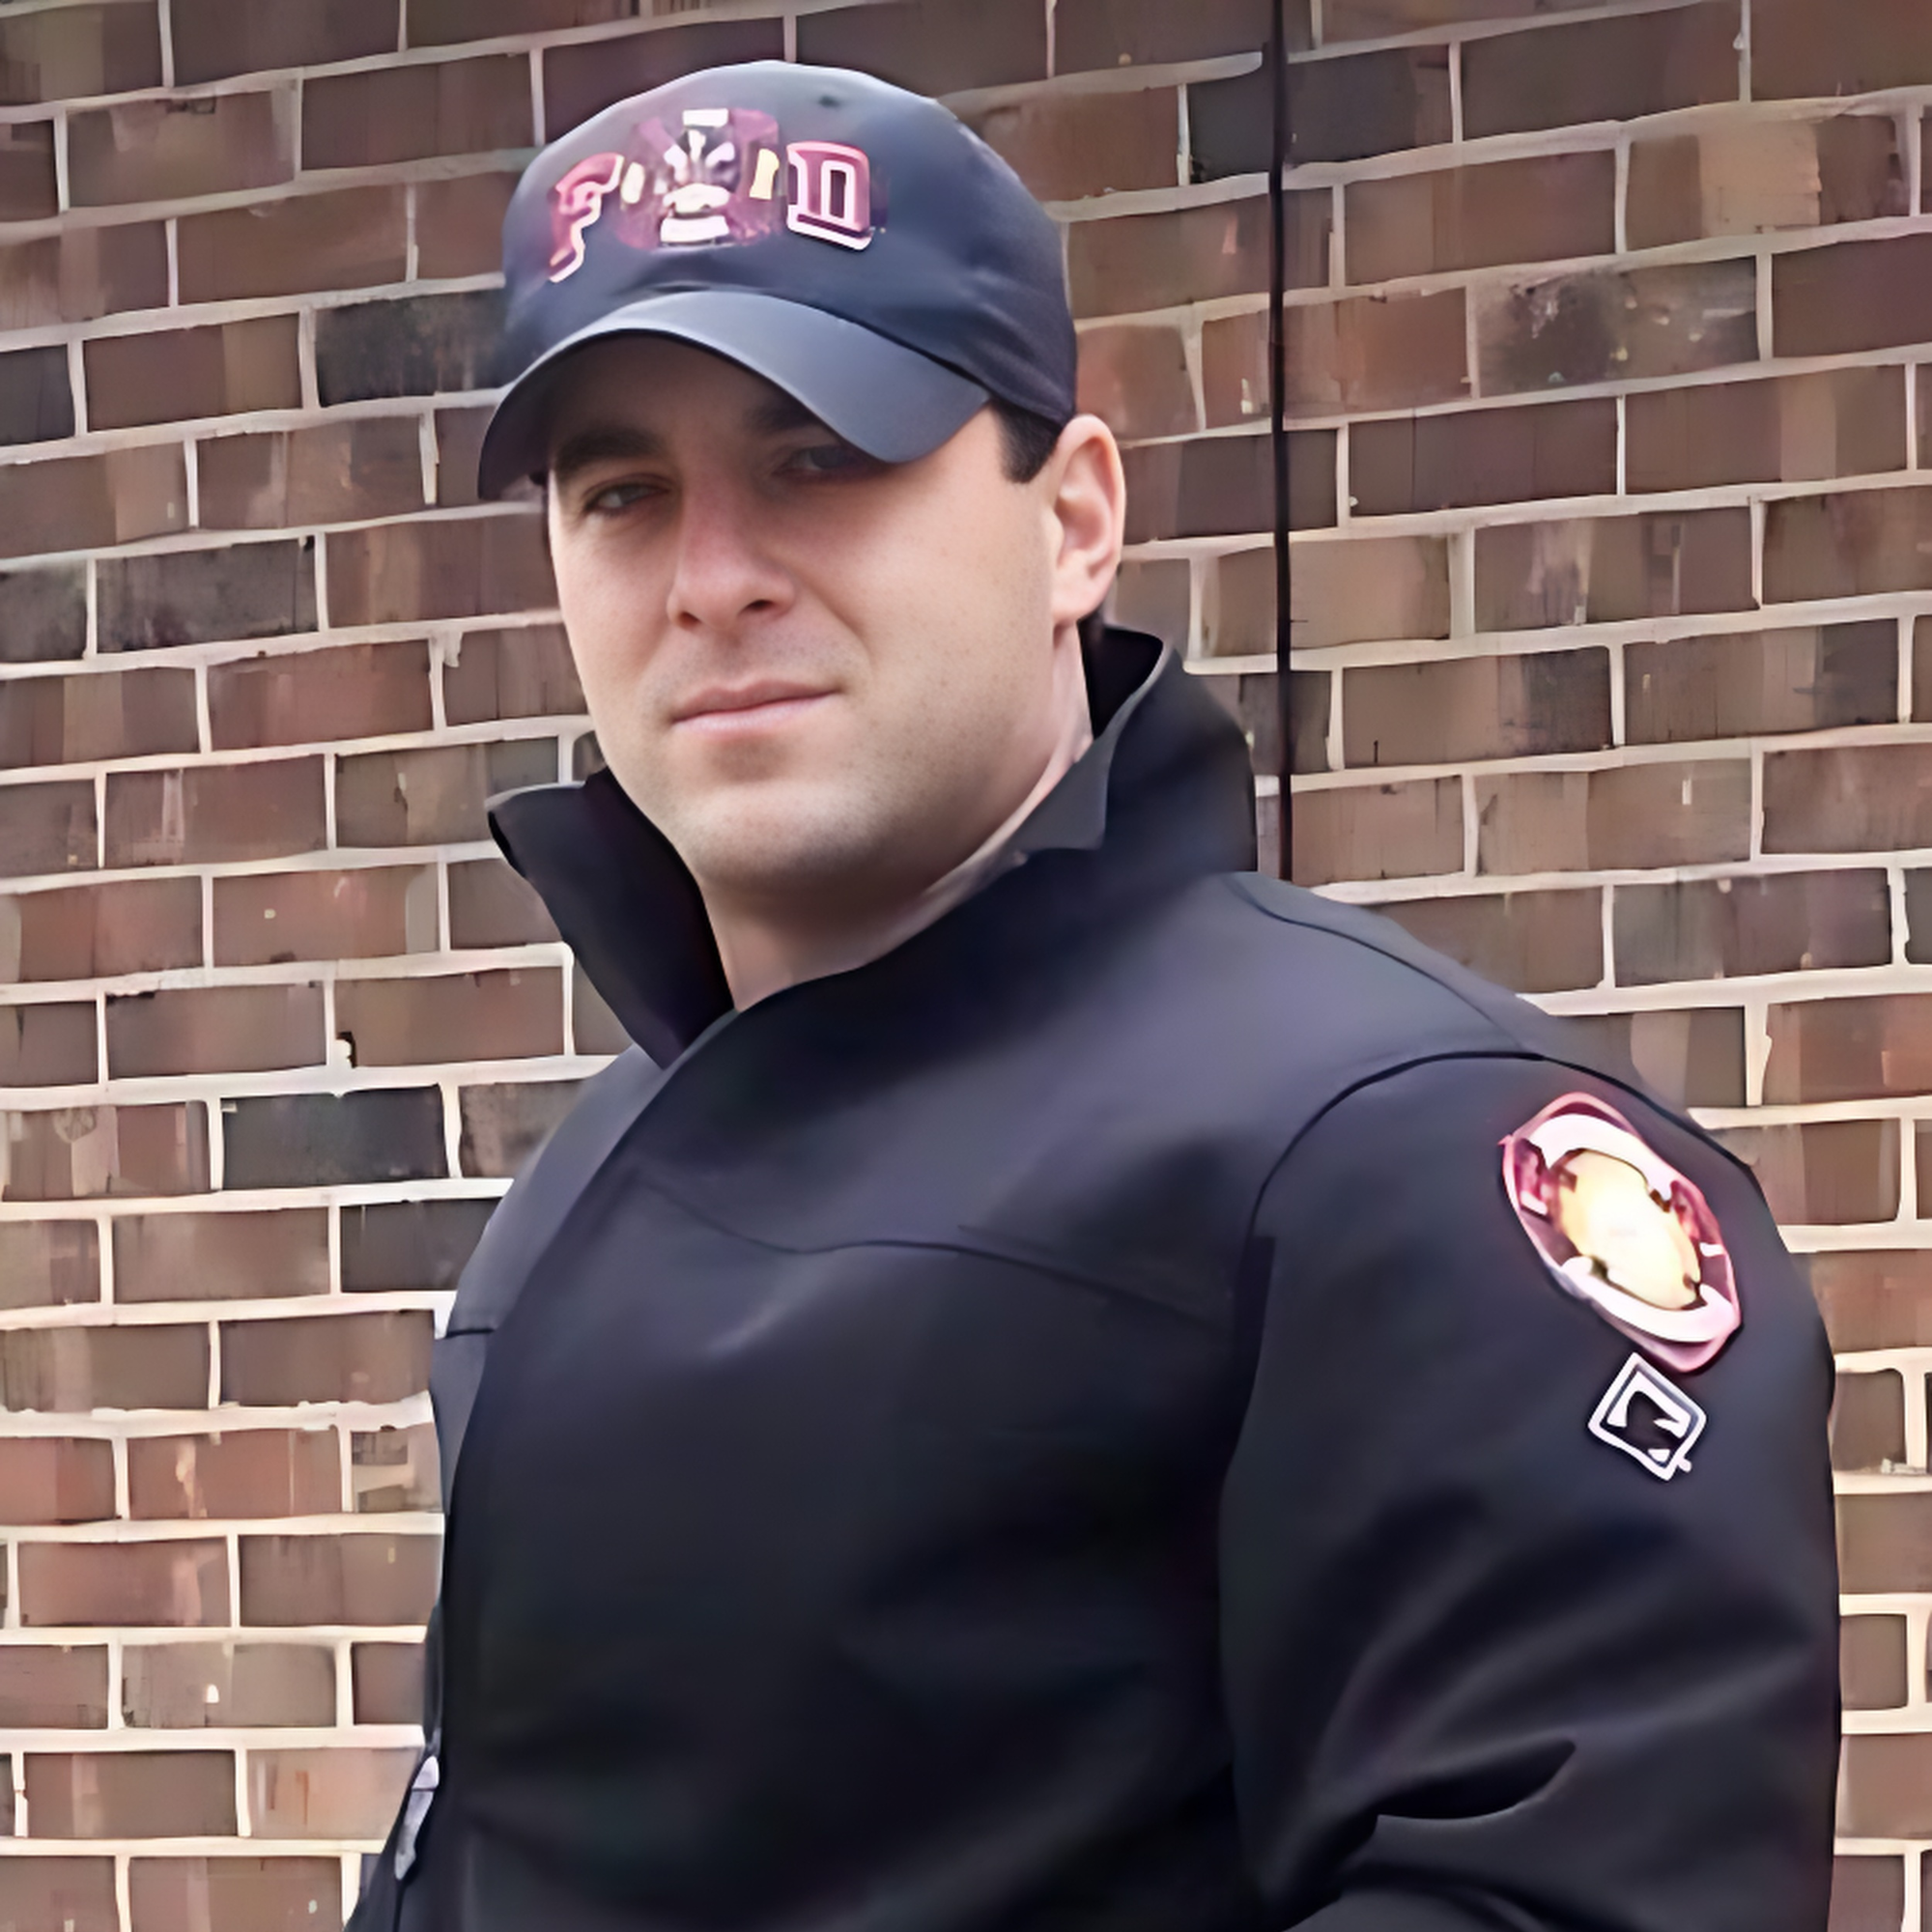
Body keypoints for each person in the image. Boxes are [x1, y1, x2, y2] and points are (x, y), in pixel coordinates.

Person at [349, 59, 1839, 1932]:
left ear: (1073, 521)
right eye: (624, 493)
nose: (710, 580)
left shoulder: (1391, 1157)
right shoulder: (589, 1183)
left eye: (816, 460)